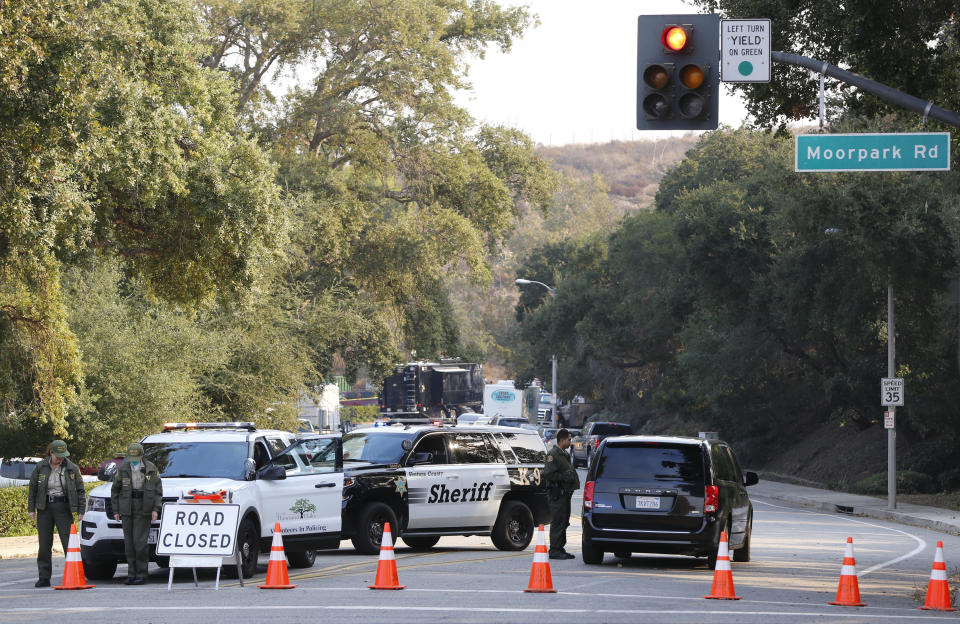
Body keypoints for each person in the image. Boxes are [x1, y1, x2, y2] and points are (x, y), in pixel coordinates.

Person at [27, 439, 87, 587]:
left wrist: (81, 510)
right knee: (45, 544)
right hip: (44, 508)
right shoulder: (40, 466)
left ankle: (75, 574)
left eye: (63, 455)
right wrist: (31, 509)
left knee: (68, 542)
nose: (61, 458)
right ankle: (44, 577)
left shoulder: (72, 468)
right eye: (58, 455)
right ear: (51, 452)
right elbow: (32, 488)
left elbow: (80, 490)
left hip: (63, 507)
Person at [111, 442, 162, 585]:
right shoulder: (123, 468)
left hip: (143, 505)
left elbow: (158, 491)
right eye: (131, 457)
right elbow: (115, 490)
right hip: (127, 506)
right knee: (129, 543)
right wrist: (116, 510)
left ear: (142, 455)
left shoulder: (150, 468)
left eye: (136, 457)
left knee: (140, 542)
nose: (133, 459)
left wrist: (155, 509)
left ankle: (142, 573)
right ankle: (131, 573)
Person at [542, 428, 579, 560]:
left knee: (564, 521)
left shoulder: (565, 454)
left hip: (565, 495)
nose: (570, 442)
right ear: (562, 440)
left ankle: (560, 548)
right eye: (569, 440)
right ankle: (554, 550)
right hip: (557, 494)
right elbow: (548, 474)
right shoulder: (553, 454)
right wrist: (563, 477)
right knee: (558, 521)